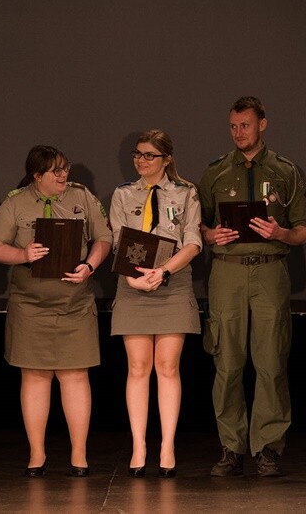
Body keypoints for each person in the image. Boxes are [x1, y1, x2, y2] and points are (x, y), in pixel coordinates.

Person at [197, 96, 306, 478]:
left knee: (270, 362)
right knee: (227, 364)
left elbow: (304, 229)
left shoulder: (286, 171)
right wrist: (211, 233)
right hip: (227, 272)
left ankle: (268, 448)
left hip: (269, 270)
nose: (238, 133)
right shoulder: (215, 172)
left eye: (245, 125)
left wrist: (281, 232)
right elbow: (198, 225)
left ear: (262, 124)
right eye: (233, 126)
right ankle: (231, 447)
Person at [0, 145, 112, 478]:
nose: (63, 175)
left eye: (65, 168)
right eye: (55, 171)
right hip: (30, 305)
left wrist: (89, 264)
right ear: (36, 174)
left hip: (75, 302)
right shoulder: (15, 203)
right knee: (35, 376)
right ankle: (37, 454)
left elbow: (104, 237)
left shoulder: (82, 197)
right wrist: (23, 254)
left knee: (75, 375)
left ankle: (79, 455)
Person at [109, 130, 203, 479]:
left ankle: (166, 446)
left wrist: (163, 271)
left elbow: (192, 242)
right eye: (138, 154)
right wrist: (133, 277)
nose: (141, 160)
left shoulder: (186, 192)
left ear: (167, 159)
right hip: (132, 284)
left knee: (167, 367)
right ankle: (139, 445)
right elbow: (118, 238)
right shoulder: (122, 194)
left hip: (172, 283)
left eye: (149, 155)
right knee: (137, 368)